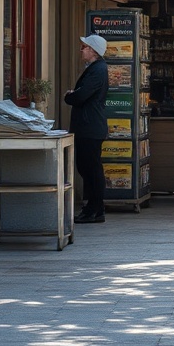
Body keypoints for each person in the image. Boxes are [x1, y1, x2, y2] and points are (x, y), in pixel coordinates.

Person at [66, 34, 109, 223]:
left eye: (84, 47)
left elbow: (81, 96)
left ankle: (95, 209)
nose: (81, 50)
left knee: (90, 169)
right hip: (88, 125)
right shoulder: (95, 68)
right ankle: (93, 207)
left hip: (90, 126)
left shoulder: (97, 70)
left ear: (93, 50)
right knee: (87, 168)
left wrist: (70, 96)